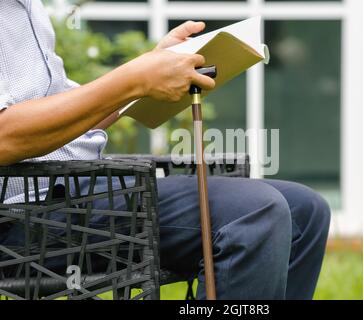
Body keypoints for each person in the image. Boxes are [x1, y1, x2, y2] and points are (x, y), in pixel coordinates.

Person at [0, 0, 330, 299]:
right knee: (254, 211)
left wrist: (154, 67)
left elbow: (66, 116)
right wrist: (134, 79)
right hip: (19, 216)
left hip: (74, 191)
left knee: (305, 211)